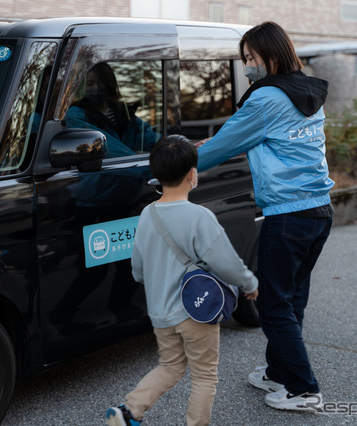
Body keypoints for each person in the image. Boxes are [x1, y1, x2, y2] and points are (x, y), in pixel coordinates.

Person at [196, 21, 334, 412]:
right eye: (244, 60)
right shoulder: (306, 91)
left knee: (273, 303)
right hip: (319, 210)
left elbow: (223, 147)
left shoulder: (267, 98)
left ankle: (304, 390)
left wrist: (166, 168)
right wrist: (222, 138)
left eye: (250, 58)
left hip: (288, 215)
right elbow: (249, 135)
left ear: (270, 55)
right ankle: (280, 371)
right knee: (293, 298)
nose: (247, 67)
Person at [106, 135, 258, 426]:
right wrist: (250, 283)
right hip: (195, 312)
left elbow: (137, 270)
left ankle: (128, 411)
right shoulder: (199, 216)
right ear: (192, 174)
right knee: (204, 375)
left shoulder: (147, 215)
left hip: (161, 313)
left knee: (171, 366)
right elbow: (226, 262)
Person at [65, 62, 159, 158]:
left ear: (110, 83)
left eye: (101, 83)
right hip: (100, 171)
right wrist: (140, 166)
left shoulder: (122, 111)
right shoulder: (76, 115)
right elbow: (106, 146)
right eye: (90, 84)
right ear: (82, 87)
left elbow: (143, 134)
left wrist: (169, 140)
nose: (96, 87)